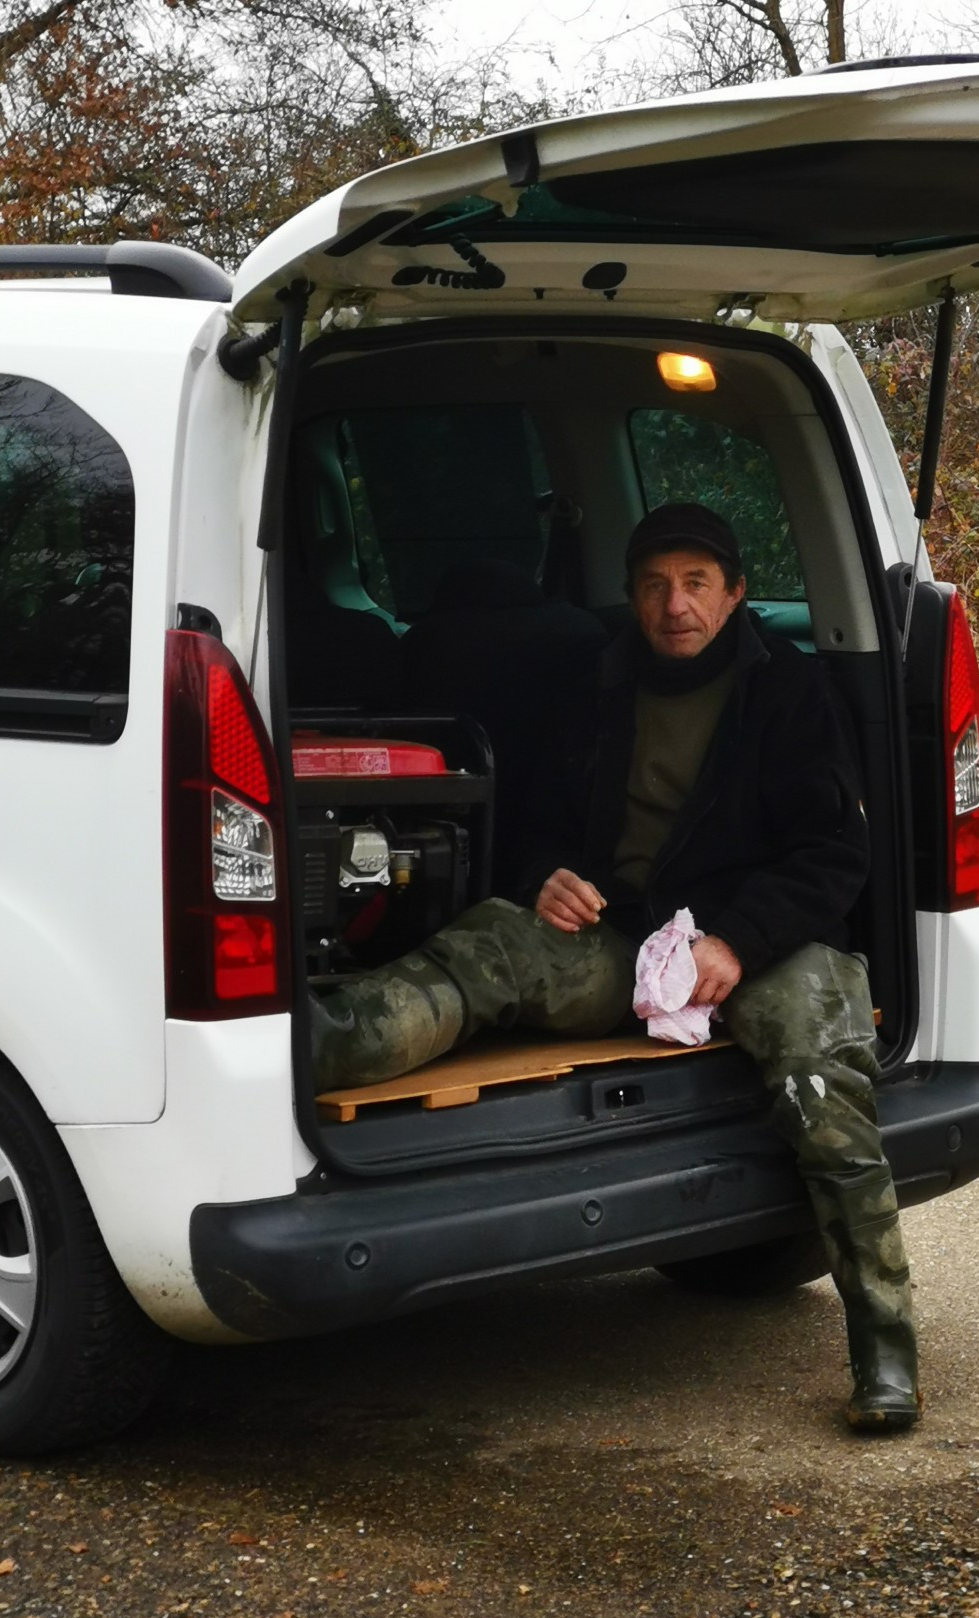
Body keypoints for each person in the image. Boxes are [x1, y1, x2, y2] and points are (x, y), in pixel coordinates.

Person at [309, 502, 921, 1432]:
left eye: (696, 584)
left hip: (761, 939)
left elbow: (834, 855)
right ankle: (319, 1045)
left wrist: (735, 942)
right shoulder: (597, 685)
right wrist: (545, 878)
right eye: (654, 585)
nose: (675, 605)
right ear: (632, 598)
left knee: (818, 1076)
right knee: (497, 945)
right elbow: (541, 822)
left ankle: (885, 1349)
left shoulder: (788, 693)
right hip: (626, 934)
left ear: (735, 593)